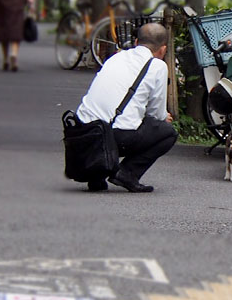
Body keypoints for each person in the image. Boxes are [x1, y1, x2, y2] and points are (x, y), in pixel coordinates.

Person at [76, 23, 178, 192]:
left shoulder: (116, 57)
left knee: (116, 119)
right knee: (167, 132)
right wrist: (164, 117)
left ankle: (97, 175)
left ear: (136, 41)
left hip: (85, 130)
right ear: (163, 49)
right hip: (115, 135)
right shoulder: (158, 66)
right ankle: (127, 173)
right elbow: (156, 113)